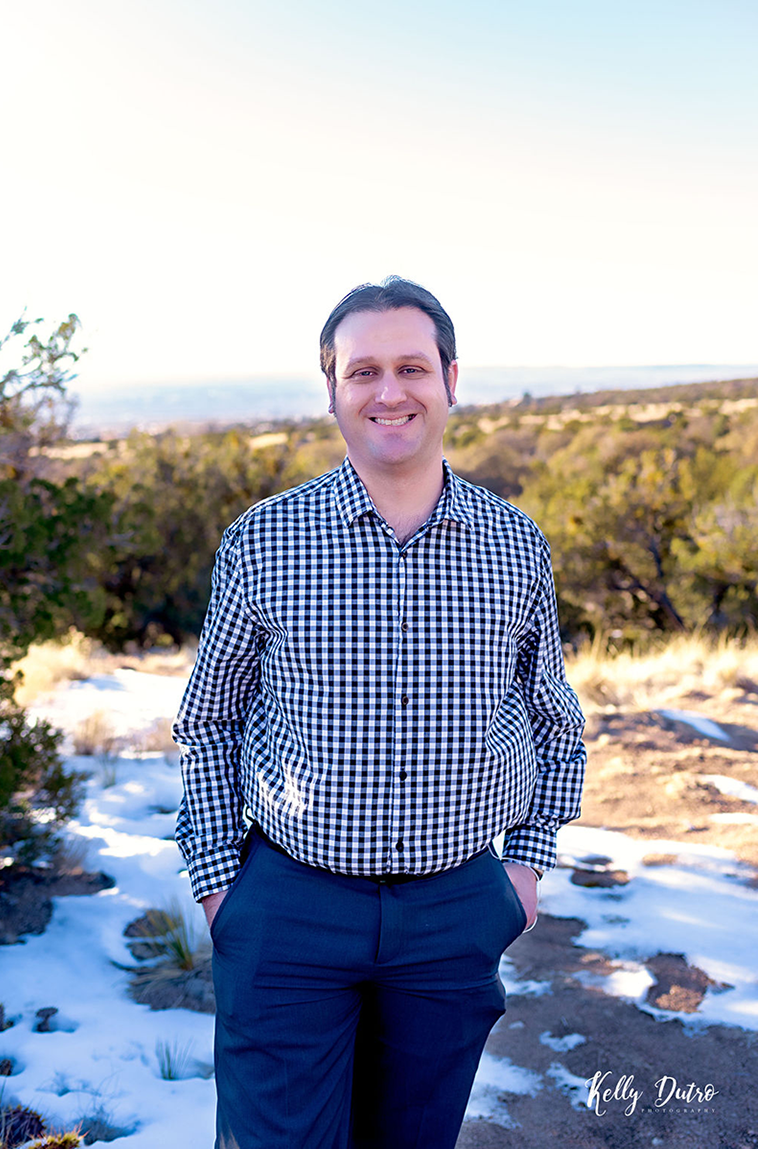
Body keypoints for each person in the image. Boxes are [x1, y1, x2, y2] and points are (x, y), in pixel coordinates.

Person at [173, 276, 586, 1149]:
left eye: (410, 366)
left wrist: (523, 873)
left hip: (455, 911)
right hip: (287, 909)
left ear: (450, 378)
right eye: (362, 371)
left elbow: (554, 716)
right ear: (331, 389)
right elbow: (207, 718)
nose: (388, 390)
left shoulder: (515, 546)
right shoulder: (264, 540)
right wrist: (220, 887)